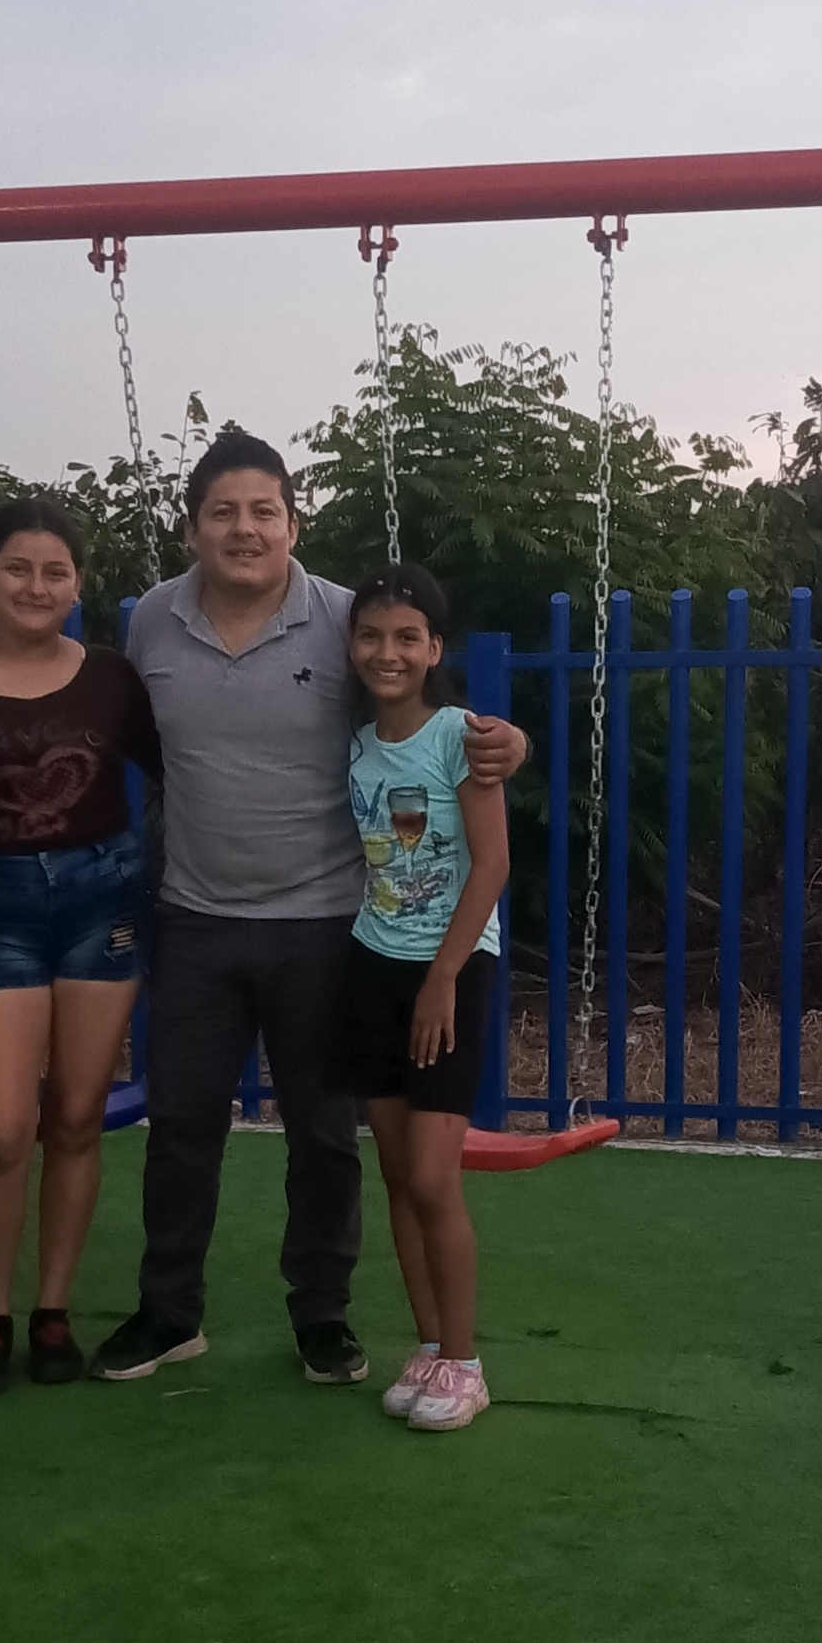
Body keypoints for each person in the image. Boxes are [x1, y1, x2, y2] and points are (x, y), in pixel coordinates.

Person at [88, 430, 526, 1388]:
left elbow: (419, 709)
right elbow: (153, 749)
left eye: (264, 511)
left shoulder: (342, 618)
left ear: (294, 523)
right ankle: (169, 1311)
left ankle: (322, 1313)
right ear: (192, 526)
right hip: (197, 914)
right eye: (222, 512)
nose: (244, 530)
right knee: (182, 1126)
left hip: (328, 921)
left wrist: (509, 744)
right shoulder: (152, 620)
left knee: (323, 1136)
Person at [0, 494, 161, 1394]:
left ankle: (53, 1310)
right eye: (18, 568)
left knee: (78, 1118)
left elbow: (189, 769)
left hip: (102, 904)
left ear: (78, 584)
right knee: (6, 1127)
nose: (36, 586)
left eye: (56, 572)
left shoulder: (111, 677)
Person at [337, 564, 510, 1433]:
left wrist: (443, 975)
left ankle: (467, 1364)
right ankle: (432, 1345)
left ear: (436, 648)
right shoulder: (356, 743)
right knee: (399, 1175)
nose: (388, 652)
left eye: (408, 637)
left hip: (451, 971)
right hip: (372, 963)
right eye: (371, 635)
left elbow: (492, 864)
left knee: (437, 1178)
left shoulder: (459, 737)